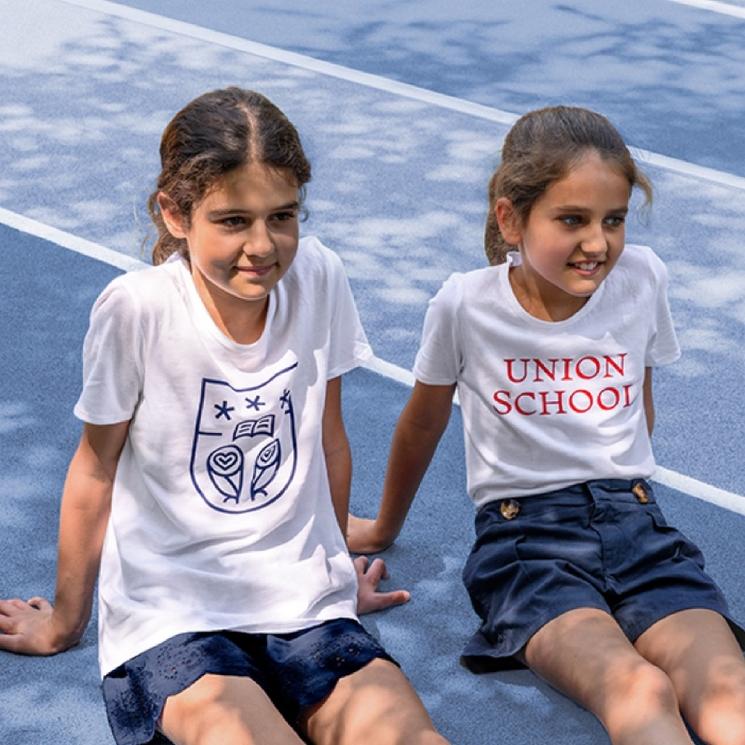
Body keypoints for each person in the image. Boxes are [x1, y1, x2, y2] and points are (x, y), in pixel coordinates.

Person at [0, 87, 449, 745]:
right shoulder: (138, 310)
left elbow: (327, 439)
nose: (263, 245)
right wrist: (67, 619)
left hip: (303, 599)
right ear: (176, 215)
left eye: (283, 216)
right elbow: (95, 468)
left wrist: (330, 562)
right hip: (173, 611)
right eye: (233, 220)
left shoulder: (319, 274)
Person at [348, 105, 745, 745]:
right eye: (572, 220)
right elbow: (421, 425)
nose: (598, 243)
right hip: (526, 543)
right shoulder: (466, 303)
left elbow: (637, 403)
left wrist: (628, 489)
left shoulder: (643, 277)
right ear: (511, 217)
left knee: (729, 689)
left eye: (613, 219)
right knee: (638, 688)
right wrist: (383, 526)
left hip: (638, 527)